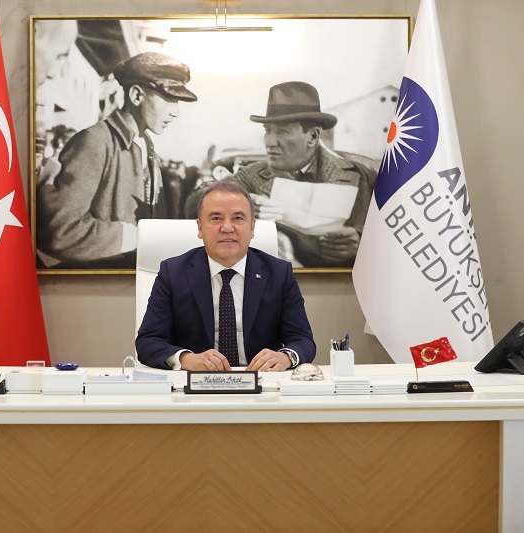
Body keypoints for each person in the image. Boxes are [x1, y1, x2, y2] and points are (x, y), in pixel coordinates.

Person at [36, 52, 198, 269]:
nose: (175, 112)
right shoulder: (95, 141)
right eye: (169, 98)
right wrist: (134, 236)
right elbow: (60, 231)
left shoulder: (146, 147)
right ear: (137, 95)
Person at [192, 81, 377, 268]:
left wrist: (360, 246)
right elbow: (194, 204)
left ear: (312, 136)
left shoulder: (359, 175)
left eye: (282, 132)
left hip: (339, 284)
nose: (270, 142)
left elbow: (387, 242)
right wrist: (239, 203)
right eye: (268, 131)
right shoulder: (253, 175)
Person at [136, 181, 316, 371]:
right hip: (196, 383)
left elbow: (303, 340)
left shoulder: (279, 273)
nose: (227, 228)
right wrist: (187, 359)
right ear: (200, 227)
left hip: (262, 381)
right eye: (216, 218)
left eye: (238, 218)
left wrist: (285, 357)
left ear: (252, 227)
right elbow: (148, 342)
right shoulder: (173, 273)